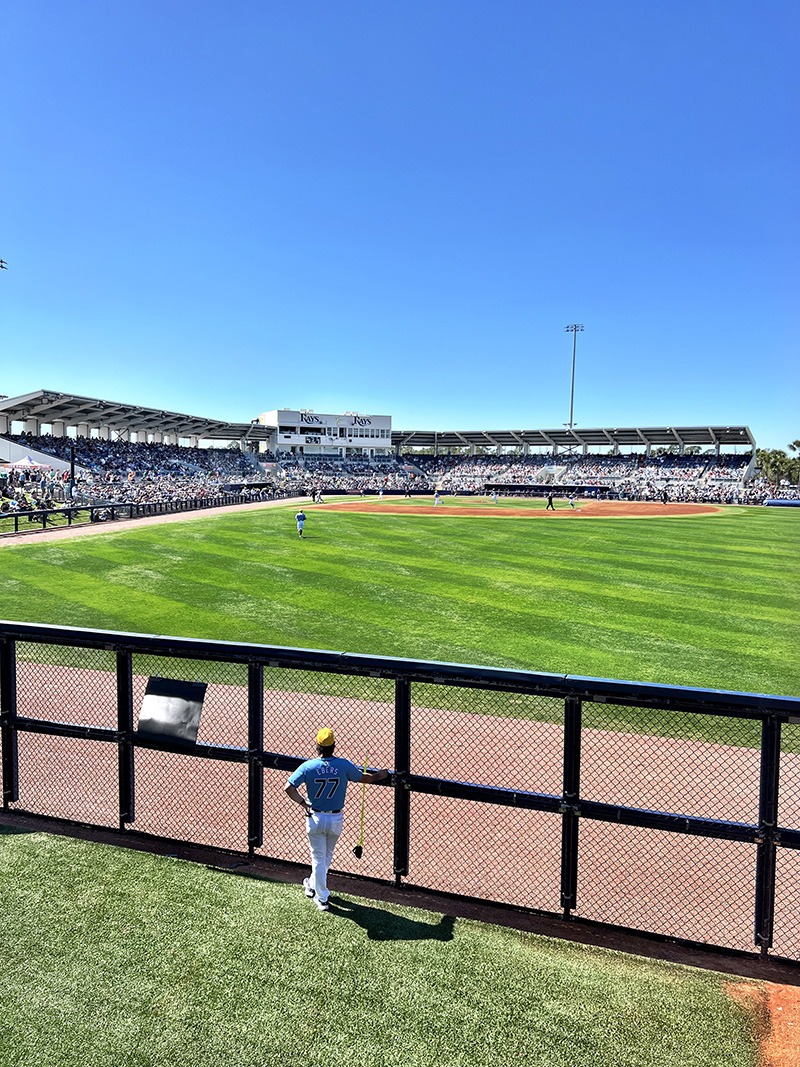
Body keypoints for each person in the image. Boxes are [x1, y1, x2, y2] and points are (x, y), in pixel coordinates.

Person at [284, 728, 391, 911]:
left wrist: (303, 803)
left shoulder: (308, 766)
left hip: (315, 817)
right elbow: (365, 778)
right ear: (334, 746)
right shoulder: (343, 765)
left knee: (319, 858)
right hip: (335, 819)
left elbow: (288, 788)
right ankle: (316, 890)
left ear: (318, 746)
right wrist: (380, 775)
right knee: (325, 857)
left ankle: (319, 893)